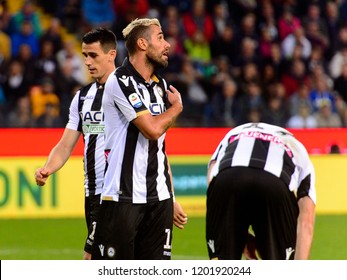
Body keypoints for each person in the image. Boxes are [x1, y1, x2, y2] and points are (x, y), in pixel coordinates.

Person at [91, 18, 187, 260]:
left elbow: (160, 148)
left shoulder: (159, 85)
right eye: (160, 37)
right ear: (142, 44)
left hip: (159, 200)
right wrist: (176, 109)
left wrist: (171, 196)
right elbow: (152, 129)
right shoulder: (120, 80)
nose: (167, 44)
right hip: (123, 198)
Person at [34, 27, 117, 260]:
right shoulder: (82, 98)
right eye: (84, 56)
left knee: (92, 259)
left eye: (93, 55)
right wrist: (48, 167)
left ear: (111, 55)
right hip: (92, 193)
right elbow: (65, 145)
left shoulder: (127, 92)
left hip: (119, 193)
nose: (88, 62)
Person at [206, 122, 316, 260]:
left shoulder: (233, 133)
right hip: (275, 184)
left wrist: (238, 232)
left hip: (227, 177)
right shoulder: (299, 148)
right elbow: (306, 221)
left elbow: (212, 176)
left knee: (221, 261)